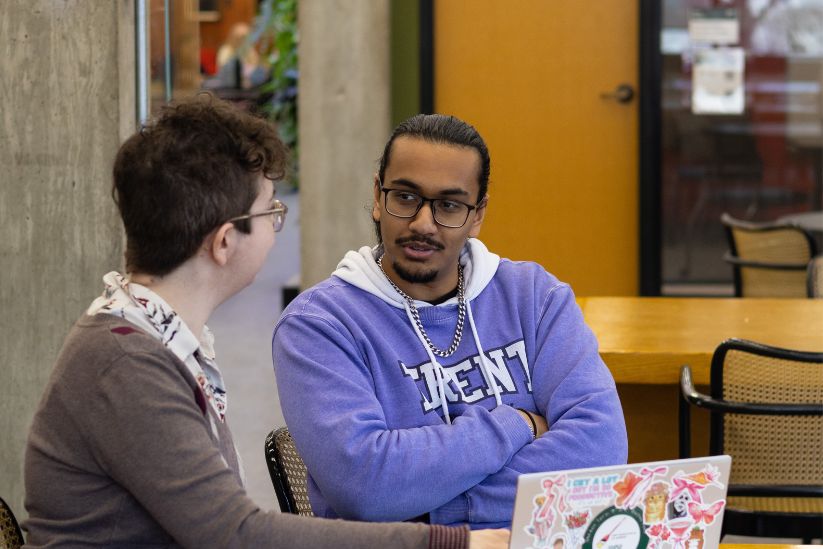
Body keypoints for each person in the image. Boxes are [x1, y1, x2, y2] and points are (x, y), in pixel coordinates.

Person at [22, 96, 507, 549]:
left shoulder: (151, 339)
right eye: (272, 212)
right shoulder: (125, 364)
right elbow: (236, 535)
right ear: (225, 241)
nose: (278, 229)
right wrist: (453, 542)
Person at [272, 114, 628, 529]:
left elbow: (600, 450)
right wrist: (519, 424)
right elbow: (365, 484)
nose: (423, 223)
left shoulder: (535, 298)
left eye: (449, 206)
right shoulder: (319, 325)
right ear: (377, 194)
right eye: (405, 197)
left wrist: (431, 509)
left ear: (477, 215)